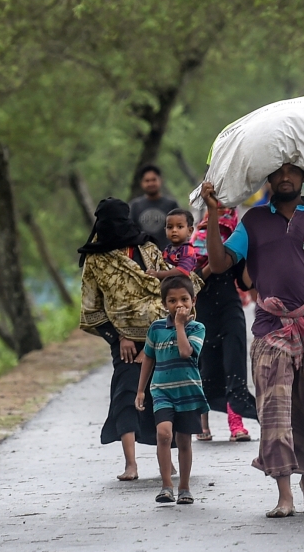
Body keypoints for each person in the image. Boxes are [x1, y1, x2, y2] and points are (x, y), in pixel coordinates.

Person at [200, 163, 304, 518]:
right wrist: (211, 214)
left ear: (303, 178)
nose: (285, 177)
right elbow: (220, 263)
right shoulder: (252, 221)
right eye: (277, 172)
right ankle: (284, 493)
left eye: (292, 172)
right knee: (274, 412)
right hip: (270, 329)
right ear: (268, 180)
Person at [78, 198, 168, 482]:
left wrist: (156, 340)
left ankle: (169, 460)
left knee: (164, 396)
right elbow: (91, 308)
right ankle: (131, 464)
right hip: (125, 342)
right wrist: (119, 339)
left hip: (160, 334)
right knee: (125, 395)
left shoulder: (148, 249)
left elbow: (167, 292)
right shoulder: (94, 260)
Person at [135, 275, 209, 505]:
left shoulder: (197, 327)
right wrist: (140, 390)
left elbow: (186, 352)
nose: (179, 305)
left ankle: (184, 487)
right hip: (162, 391)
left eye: (184, 299)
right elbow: (148, 358)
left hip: (187, 392)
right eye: (172, 300)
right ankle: (166, 485)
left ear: (193, 300)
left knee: (184, 441)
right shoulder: (156, 328)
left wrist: (179, 325)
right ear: (164, 303)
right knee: (164, 435)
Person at [190, 207, 258, 442]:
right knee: (205, 368)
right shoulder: (196, 239)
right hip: (203, 311)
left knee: (235, 364)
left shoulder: (238, 239)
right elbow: (192, 279)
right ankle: (202, 422)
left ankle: (236, 423)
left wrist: (250, 253)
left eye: (225, 207)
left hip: (230, 308)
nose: (222, 212)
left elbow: (245, 281)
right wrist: (216, 259)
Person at [129, 165, 180, 249]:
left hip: (167, 254)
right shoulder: (135, 206)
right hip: (142, 255)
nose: (150, 183)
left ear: (160, 180)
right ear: (141, 183)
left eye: (154, 180)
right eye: (147, 181)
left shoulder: (171, 205)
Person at [149, 209, 198, 281]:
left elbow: (183, 271)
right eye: (170, 227)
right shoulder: (167, 250)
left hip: (182, 287)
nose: (174, 230)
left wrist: (158, 274)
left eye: (180, 227)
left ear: (189, 231)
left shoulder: (187, 249)